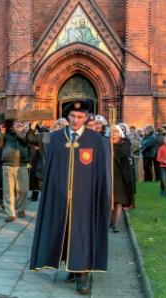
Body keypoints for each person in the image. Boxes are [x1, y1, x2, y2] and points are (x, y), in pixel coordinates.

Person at [30, 99, 111, 296]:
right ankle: (72, 270)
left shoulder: (96, 140)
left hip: (85, 199)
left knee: (82, 235)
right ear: (67, 117)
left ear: (86, 118)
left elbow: (102, 173)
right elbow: (50, 169)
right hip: (60, 197)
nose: (75, 120)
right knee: (64, 233)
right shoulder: (56, 138)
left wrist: (103, 196)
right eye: (72, 116)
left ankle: (82, 276)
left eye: (80, 117)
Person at [0, 120, 31, 222]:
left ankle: (21, 209)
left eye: (21, 122)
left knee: (23, 190)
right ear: (12, 124)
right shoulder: (6, 134)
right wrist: (2, 133)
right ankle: (10, 214)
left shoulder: (26, 134)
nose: (19, 124)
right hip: (8, 165)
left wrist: (21, 130)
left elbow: (23, 140)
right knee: (8, 191)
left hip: (21, 165)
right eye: (17, 122)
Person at [110, 125, 134, 233]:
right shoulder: (106, 144)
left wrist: (113, 149)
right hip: (109, 175)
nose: (114, 133)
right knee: (110, 200)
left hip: (121, 176)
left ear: (120, 133)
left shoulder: (125, 144)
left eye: (116, 131)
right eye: (112, 131)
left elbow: (124, 155)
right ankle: (110, 221)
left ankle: (115, 224)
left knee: (119, 201)